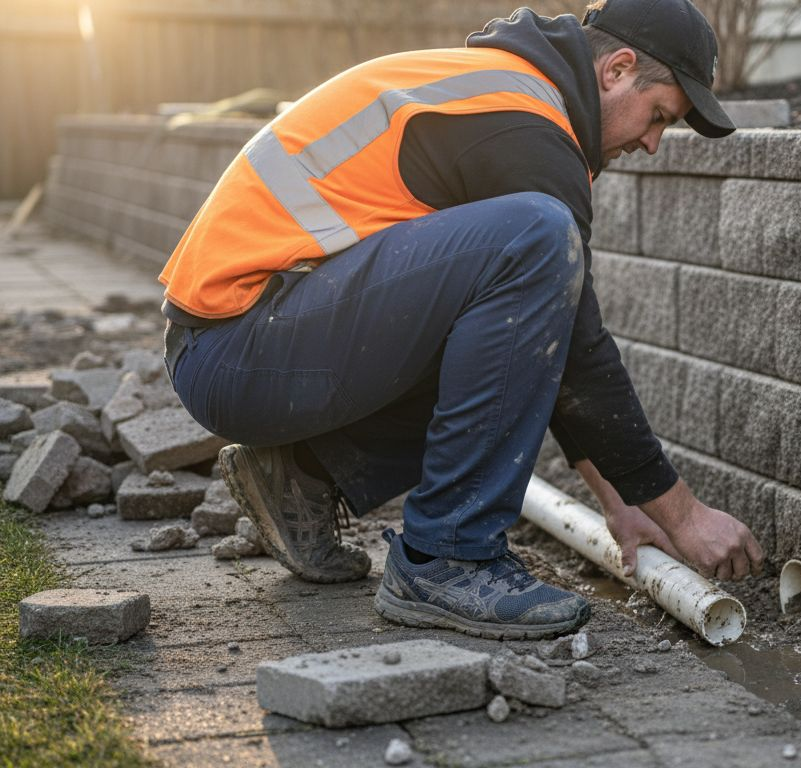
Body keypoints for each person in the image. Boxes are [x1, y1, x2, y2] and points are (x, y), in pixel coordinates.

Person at [158, 0, 765, 641]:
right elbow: (583, 355)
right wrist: (684, 515)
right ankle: (449, 554)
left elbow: (544, 350)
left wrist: (622, 506)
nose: (651, 142)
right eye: (660, 117)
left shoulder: (514, 96)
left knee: (519, 288)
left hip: (245, 342)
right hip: (238, 347)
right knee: (537, 236)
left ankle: (307, 473)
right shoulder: (520, 124)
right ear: (616, 70)